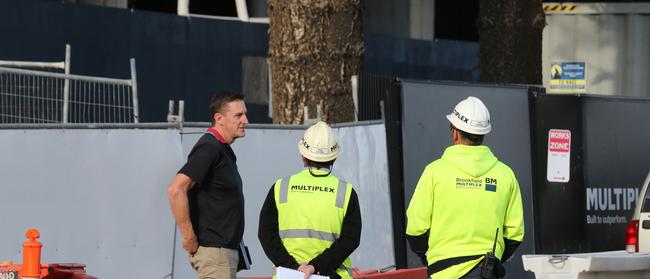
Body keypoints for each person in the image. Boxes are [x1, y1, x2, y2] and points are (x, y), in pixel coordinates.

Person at [406, 96, 524, 279]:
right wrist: (491, 260)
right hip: (486, 272)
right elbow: (515, 235)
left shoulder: (434, 172)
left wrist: (434, 259)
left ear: (454, 132)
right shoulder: (505, 175)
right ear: (483, 134)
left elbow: (415, 230)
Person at [258, 121, 362, 279]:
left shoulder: (281, 188)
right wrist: (315, 267)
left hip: (289, 276)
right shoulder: (346, 192)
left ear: (302, 155)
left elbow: (266, 235)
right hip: (332, 275)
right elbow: (350, 240)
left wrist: (294, 268)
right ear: (334, 157)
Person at [167, 91, 249, 279]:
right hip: (215, 255)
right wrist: (189, 237)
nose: (245, 120)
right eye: (238, 115)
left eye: (245, 114)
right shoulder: (209, 148)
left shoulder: (221, 149)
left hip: (221, 255)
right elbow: (175, 190)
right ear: (219, 118)